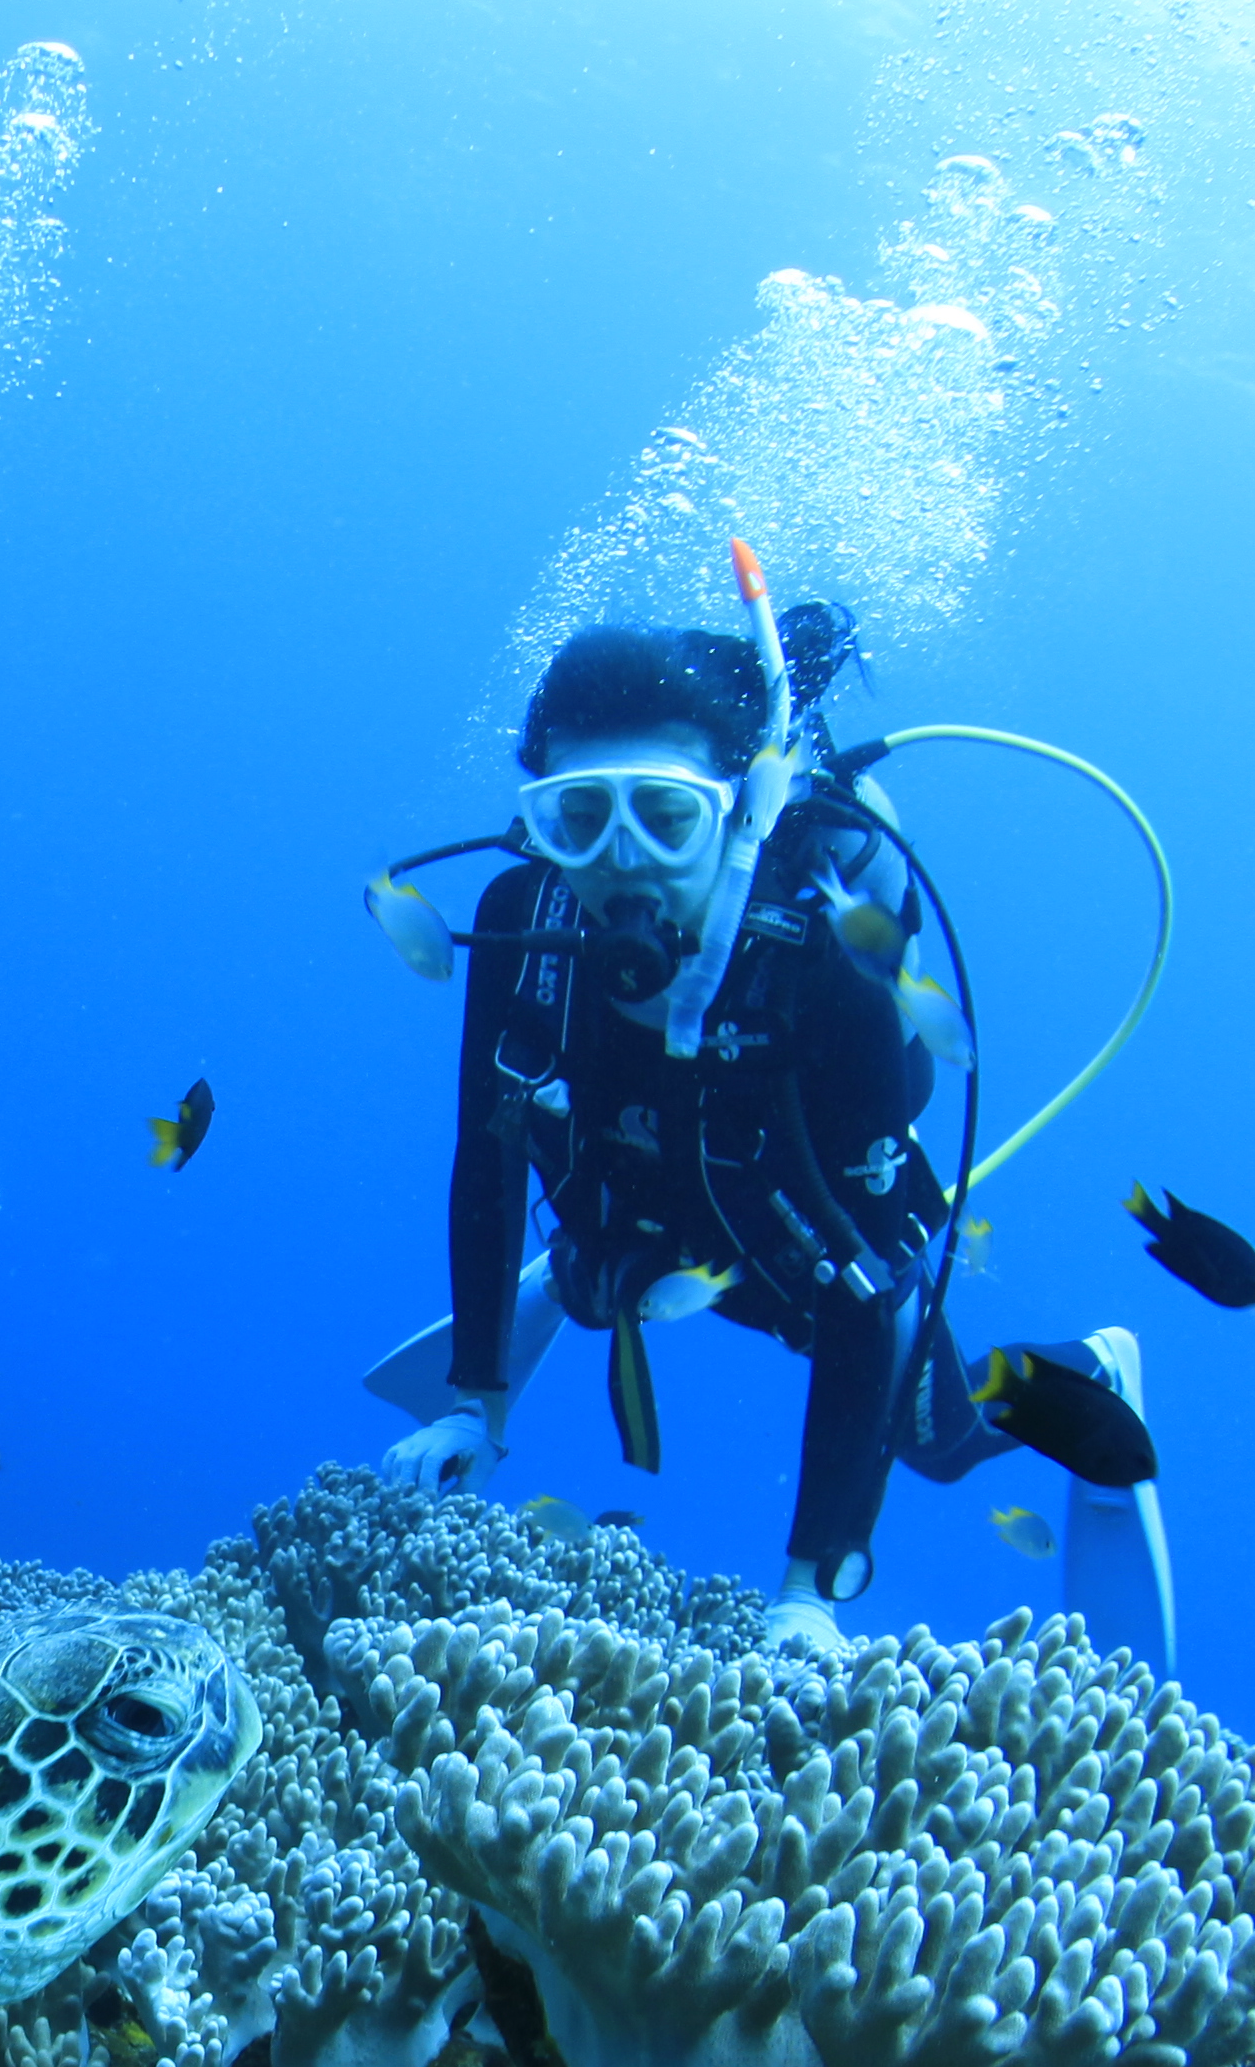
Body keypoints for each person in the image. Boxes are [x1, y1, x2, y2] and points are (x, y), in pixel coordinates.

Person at [381, 618, 994, 1643]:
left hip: (798, 1250)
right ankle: (575, 1273)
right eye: (578, 817)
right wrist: (471, 1409)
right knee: (592, 1281)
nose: (623, 862)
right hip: (634, 1212)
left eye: (667, 817)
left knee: (941, 1437)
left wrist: (807, 1593)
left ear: (741, 817)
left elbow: (863, 1285)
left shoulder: (824, 963)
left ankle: (1094, 1373)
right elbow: (485, 1154)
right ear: (539, 826)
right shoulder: (521, 917)